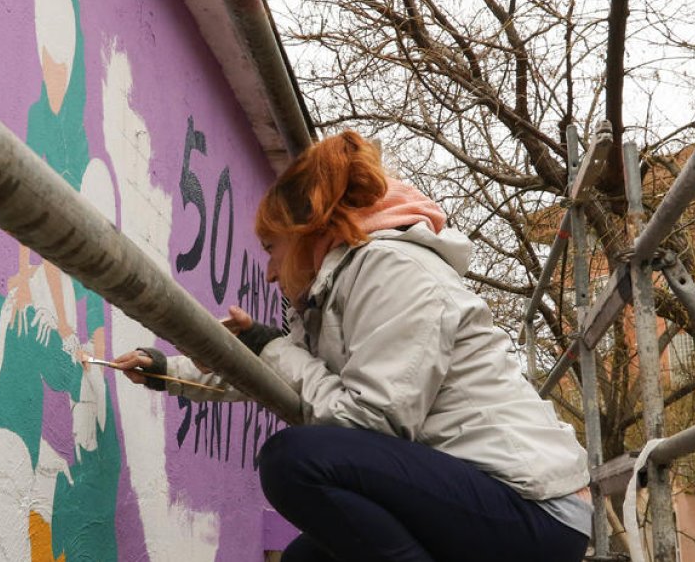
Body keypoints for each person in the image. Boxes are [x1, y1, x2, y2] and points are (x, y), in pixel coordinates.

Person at [113, 130, 592, 562]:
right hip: (482, 494)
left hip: (534, 510)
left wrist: (269, 347)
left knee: (293, 460)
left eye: (271, 248)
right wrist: (168, 371)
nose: (271, 272)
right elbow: (280, 376)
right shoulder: (334, 294)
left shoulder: (397, 273)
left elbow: (371, 423)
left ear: (311, 231)